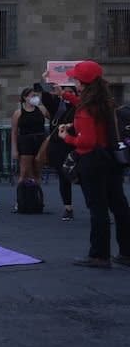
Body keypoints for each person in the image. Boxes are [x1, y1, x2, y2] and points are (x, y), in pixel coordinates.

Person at [54, 61, 130, 268]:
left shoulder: (86, 109)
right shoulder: (105, 101)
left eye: (76, 79)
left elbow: (86, 141)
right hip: (110, 159)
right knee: (119, 206)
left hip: (92, 161)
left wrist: (66, 137)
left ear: (82, 82)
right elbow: (85, 110)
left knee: (98, 209)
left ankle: (99, 255)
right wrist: (65, 95)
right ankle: (126, 252)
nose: (74, 81)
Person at [41, 81, 78, 221]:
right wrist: (46, 81)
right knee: (63, 177)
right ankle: (68, 208)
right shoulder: (57, 106)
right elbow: (45, 98)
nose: (68, 94)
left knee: (85, 176)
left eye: (71, 92)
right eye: (65, 92)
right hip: (59, 146)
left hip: (76, 145)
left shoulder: (79, 107)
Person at [11, 86, 50, 185]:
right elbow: (14, 132)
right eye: (33, 96)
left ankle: (37, 196)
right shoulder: (18, 113)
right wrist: (14, 149)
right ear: (25, 97)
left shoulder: (41, 109)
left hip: (40, 140)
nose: (35, 98)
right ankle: (21, 197)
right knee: (25, 172)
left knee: (37, 172)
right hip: (25, 142)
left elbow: (53, 117)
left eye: (36, 96)